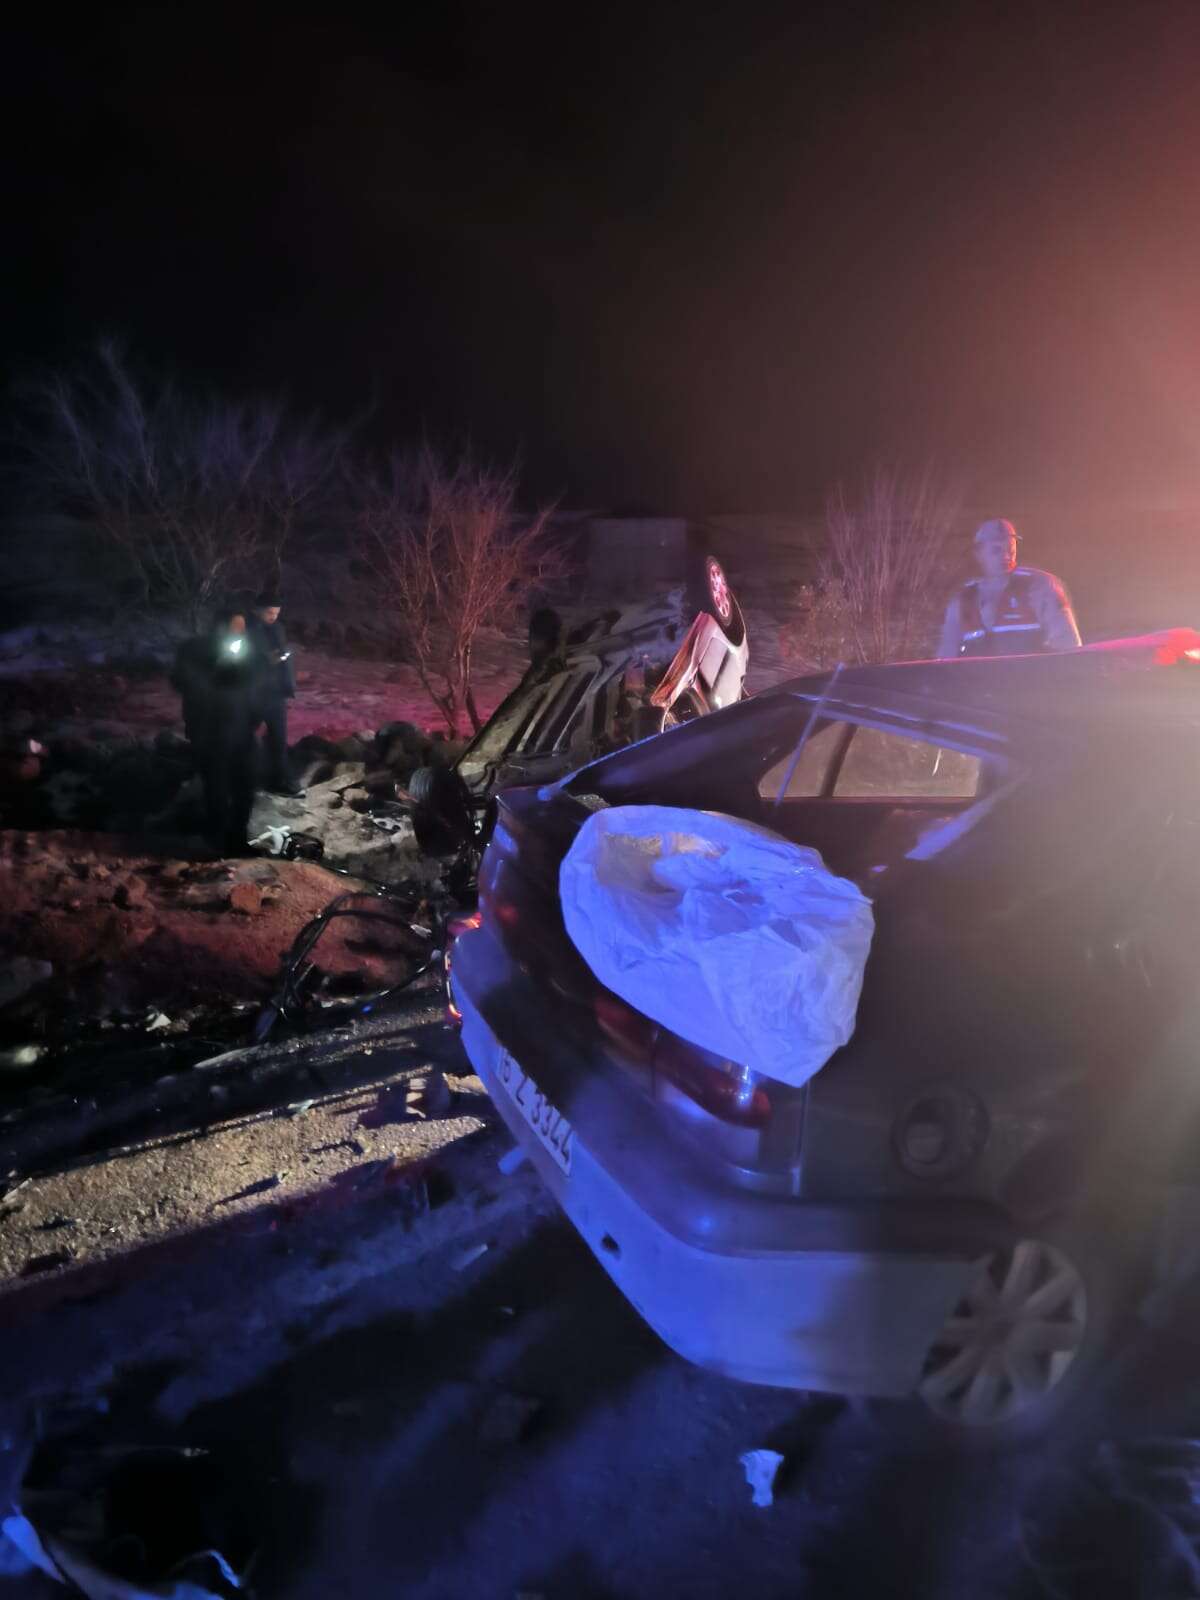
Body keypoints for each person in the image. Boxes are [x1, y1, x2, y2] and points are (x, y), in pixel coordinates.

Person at [172, 604, 268, 856]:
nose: (238, 632)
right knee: (216, 788)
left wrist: (256, 715)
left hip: (242, 731)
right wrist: (218, 666)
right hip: (210, 731)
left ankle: (238, 841)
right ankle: (215, 842)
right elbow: (182, 681)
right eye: (233, 627)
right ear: (219, 627)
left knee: (245, 788)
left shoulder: (248, 651)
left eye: (242, 627)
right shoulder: (194, 650)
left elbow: (256, 685)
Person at [937, 518, 1082, 658]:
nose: (1006, 556)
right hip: (979, 682)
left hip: (1031, 681)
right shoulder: (963, 600)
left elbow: (1068, 646)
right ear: (978, 554)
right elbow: (945, 658)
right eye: (996, 550)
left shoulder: (1040, 586)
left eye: (1010, 549)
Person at [248, 586, 302, 796]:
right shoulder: (246, 629)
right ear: (258, 610)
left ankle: (281, 781)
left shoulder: (278, 628)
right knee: (244, 737)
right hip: (253, 694)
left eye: (276, 613)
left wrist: (284, 657)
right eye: (270, 612)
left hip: (276, 694)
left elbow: (282, 652)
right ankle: (243, 778)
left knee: (278, 740)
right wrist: (264, 661)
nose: (273, 617)